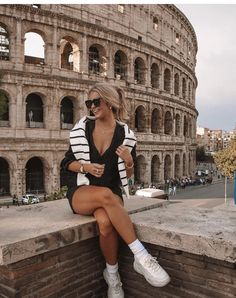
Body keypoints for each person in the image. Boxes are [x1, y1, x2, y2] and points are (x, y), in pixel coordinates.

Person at [61, 83, 170, 298]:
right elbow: (67, 163)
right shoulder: (82, 128)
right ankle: (142, 256)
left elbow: (127, 177)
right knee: (105, 195)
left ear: (110, 102)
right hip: (83, 190)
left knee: (105, 223)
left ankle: (112, 276)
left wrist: (129, 161)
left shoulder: (126, 135)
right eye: (89, 103)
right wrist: (86, 167)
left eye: (96, 102)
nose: (92, 107)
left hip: (111, 192)